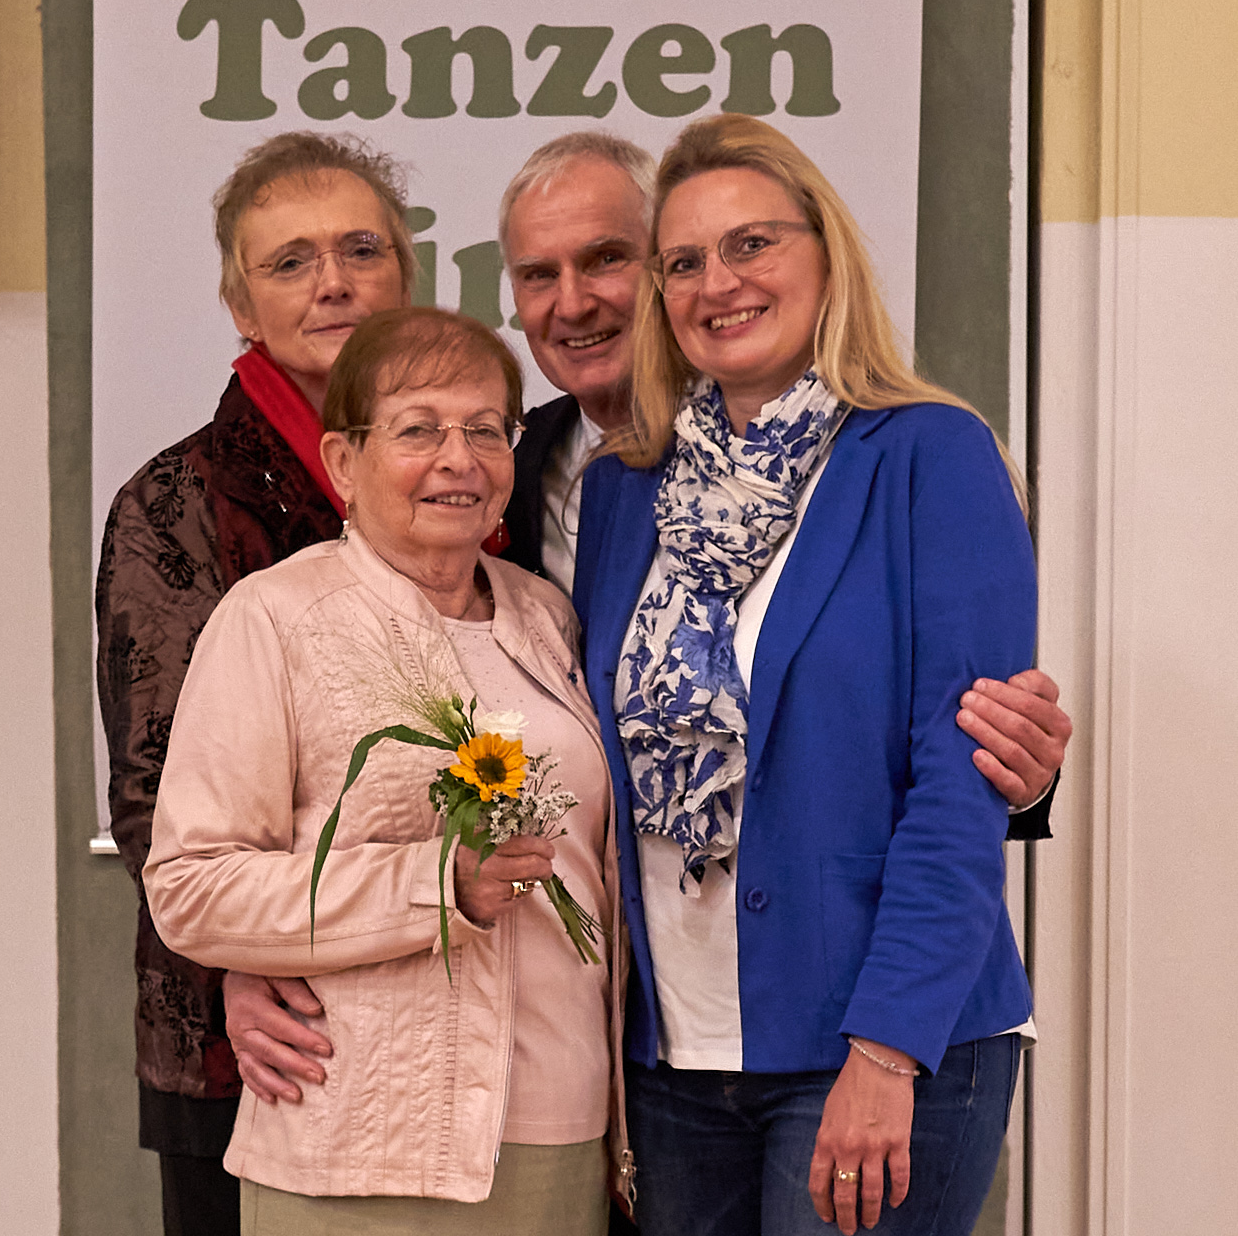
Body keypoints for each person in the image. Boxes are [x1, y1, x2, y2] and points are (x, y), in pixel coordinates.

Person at [572, 115, 1040, 1236]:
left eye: (753, 244)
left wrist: (886, 1049)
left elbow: (962, 778)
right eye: (683, 261)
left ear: (826, 255)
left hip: (878, 1039)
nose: (718, 282)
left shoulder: (930, 455)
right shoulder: (622, 490)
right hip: (671, 1056)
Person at [144, 308, 626, 1233]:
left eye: (485, 429)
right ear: (342, 462)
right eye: (418, 430)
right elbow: (193, 888)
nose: (459, 459)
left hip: (561, 1125)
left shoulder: (547, 616)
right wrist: (431, 885)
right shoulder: (276, 618)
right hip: (361, 1134)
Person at [498, 130, 1070, 828]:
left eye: (606, 258)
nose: (573, 302)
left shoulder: (909, 452)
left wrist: (1011, 782)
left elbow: (959, 728)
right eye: (538, 274)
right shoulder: (512, 469)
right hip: (621, 890)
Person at [96, 131, 416, 1235]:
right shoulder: (175, 499)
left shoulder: (475, 477)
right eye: (290, 261)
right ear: (242, 305)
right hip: (256, 1033)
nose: (333, 281)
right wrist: (242, 963)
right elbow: (151, 793)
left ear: (405, 274)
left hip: (449, 1018)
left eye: (361, 249)